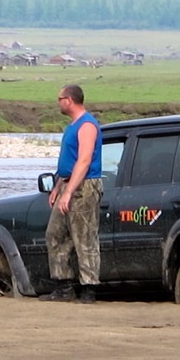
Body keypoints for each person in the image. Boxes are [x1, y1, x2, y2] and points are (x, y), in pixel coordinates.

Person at [39, 84, 104, 303]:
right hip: (68, 183)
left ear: (69, 100)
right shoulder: (71, 126)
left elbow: (84, 161)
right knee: (55, 235)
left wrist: (70, 192)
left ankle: (89, 289)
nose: (58, 103)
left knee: (84, 238)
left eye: (60, 98)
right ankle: (63, 286)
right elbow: (67, 163)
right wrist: (58, 187)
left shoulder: (87, 126)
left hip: (84, 186)